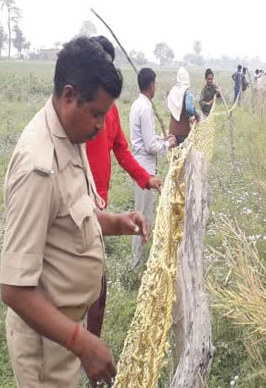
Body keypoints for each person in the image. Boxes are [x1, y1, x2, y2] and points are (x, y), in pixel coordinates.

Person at [0, 36, 150, 388]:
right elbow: (14, 289)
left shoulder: (71, 133)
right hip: (46, 345)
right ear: (69, 96)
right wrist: (81, 342)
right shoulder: (38, 167)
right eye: (96, 113)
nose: (101, 125)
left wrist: (115, 222)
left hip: (65, 329)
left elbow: (68, 215)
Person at [84, 36, 162, 340]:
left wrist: (147, 178)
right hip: (75, 207)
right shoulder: (76, 111)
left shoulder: (111, 111)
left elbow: (122, 150)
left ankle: (92, 344)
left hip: (98, 208)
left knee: (97, 289)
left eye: (106, 64)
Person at [129, 68, 177, 268]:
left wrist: (161, 139)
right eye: (155, 84)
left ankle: (138, 261)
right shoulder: (146, 108)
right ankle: (135, 264)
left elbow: (145, 138)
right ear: (151, 85)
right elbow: (149, 145)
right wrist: (167, 145)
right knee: (143, 216)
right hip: (144, 169)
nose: (155, 87)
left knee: (142, 213)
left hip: (139, 165)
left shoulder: (136, 104)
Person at [167, 67, 200, 145]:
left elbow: (169, 105)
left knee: (175, 155)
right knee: (184, 154)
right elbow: (188, 107)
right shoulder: (187, 92)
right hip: (183, 131)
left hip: (172, 130)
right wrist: (195, 114)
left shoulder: (173, 90)